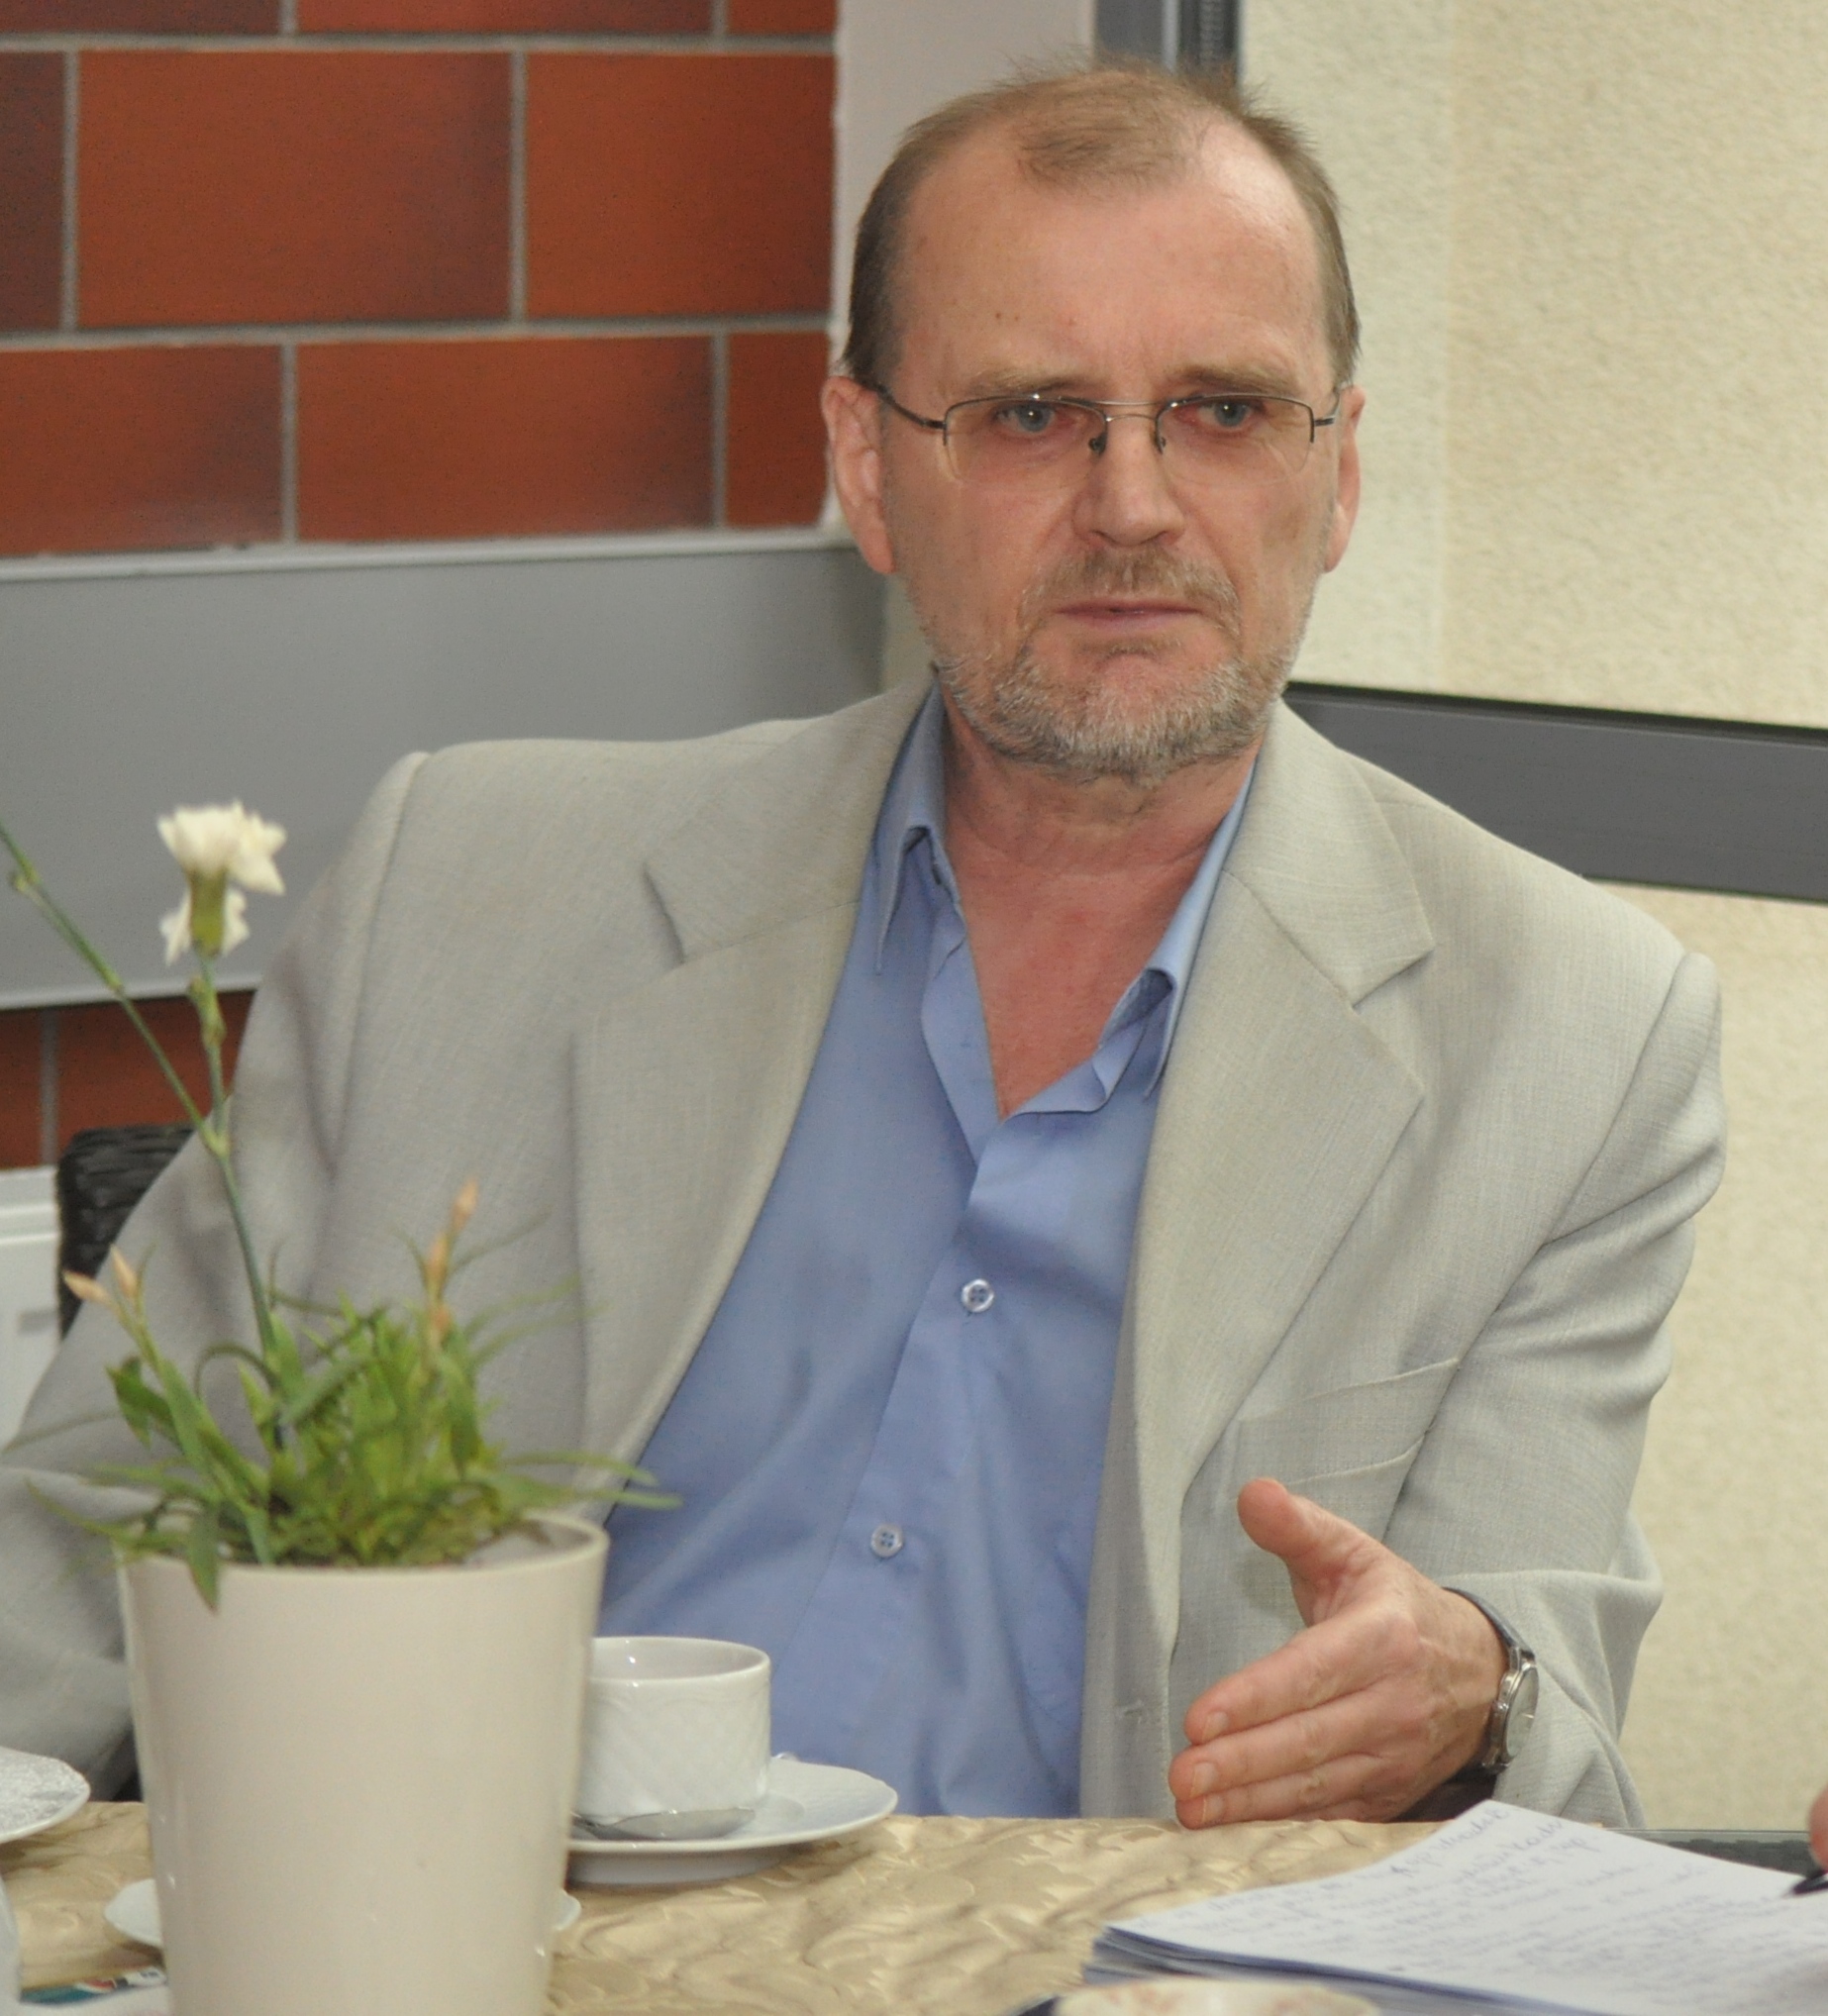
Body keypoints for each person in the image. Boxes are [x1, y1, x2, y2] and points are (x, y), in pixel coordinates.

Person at [0, 60, 1721, 1827]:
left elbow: (1549, 1747)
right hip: (484, 1925)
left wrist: (1470, 1698)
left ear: (1336, 472)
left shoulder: (1573, 1043)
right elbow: (75, 1557)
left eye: (1221, 410)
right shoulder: (458, 895)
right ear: (866, 467)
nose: (1133, 505)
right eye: (1033, 415)